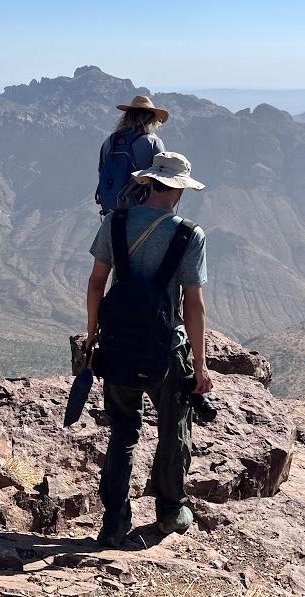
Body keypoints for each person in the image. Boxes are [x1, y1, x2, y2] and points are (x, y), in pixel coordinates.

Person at [85, 151, 212, 546]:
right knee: (173, 427)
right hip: (166, 349)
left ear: (148, 182)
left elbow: (96, 283)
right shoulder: (189, 234)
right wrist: (202, 365)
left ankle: (114, 521)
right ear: (178, 190)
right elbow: (193, 303)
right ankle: (171, 511)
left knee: (122, 431)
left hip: (119, 345)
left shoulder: (115, 221)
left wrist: (93, 338)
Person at [94, 95, 168, 214]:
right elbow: (163, 180)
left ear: (127, 117)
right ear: (150, 119)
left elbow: (101, 174)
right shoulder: (152, 142)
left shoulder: (109, 142)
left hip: (111, 212)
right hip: (141, 212)